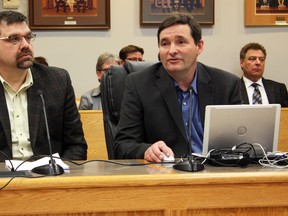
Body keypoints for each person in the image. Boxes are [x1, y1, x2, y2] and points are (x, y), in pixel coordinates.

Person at [114, 13, 241, 162]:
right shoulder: (139, 85)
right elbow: (122, 145)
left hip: (216, 173)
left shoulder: (227, 84)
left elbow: (243, 142)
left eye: (180, 42)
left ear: (199, 46)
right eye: (165, 44)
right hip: (165, 175)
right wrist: (146, 150)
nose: (172, 50)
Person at [0, 11, 87, 161]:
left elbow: (75, 146)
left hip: (47, 179)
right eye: (14, 39)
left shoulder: (58, 81)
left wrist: (59, 175)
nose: (25, 45)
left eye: (28, 37)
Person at [239, 42, 288, 106]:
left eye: (261, 59)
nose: (258, 63)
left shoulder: (279, 89)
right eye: (252, 59)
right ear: (242, 63)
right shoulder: (233, 89)